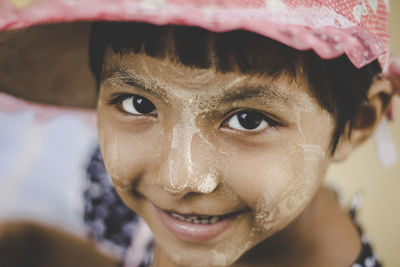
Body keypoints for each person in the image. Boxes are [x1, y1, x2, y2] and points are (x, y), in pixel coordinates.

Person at [1, 1, 400, 266]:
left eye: (248, 120)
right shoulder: (162, 211)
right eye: (139, 104)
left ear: (357, 123)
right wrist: (26, 244)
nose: (178, 180)